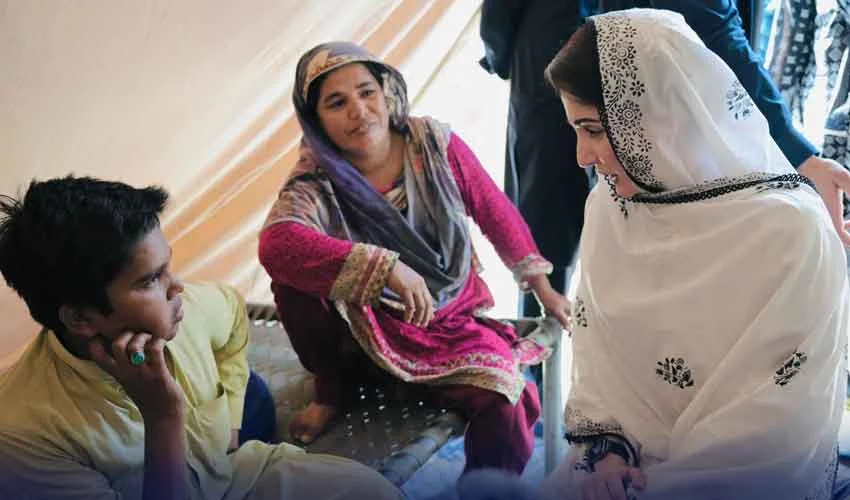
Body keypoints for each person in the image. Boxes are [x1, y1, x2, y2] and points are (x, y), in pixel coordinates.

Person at [537, 9, 848, 499]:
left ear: (660, 113)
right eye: (576, 130)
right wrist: (608, 454)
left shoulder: (790, 231)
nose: (582, 156)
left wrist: (659, 487)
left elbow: (776, 420)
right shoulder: (611, 207)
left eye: (594, 130)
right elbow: (598, 359)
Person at [258, 42, 570, 475]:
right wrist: (384, 266)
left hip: (446, 321)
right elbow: (276, 244)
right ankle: (330, 390)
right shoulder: (316, 179)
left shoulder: (434, 144)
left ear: (387, 93)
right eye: (337, 102)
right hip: (365, 328)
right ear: (316, 121)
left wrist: (542, 288)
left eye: (367, 92)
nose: (359, 110)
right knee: (291, 279)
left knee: (505, 395)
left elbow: (493, 208)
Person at [0, 176, 403, 500]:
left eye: (168, 266)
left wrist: (229, 419)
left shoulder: (183, 312)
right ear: (80, 318)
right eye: (150, 280)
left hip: (237, 478)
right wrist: (164, 417)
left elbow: (231, 315)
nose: (177, 288)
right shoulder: (23, 435)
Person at [479, 0, 850, 320]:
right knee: (560, 230)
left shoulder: (787, 228)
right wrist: (799, 154)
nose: (584, 155)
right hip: (571, 64)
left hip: (648, 89)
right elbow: (715, 26)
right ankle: (541, 368)